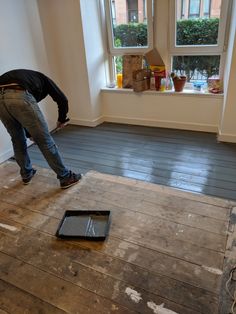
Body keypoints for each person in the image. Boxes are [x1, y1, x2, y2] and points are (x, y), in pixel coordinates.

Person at [0, 69, 82, 189]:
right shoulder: (45, 80)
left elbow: (21, 117)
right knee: (45, 141)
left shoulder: (28, 78)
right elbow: (62, 99)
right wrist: (62, 119)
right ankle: (65, 177)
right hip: (19, 94)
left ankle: (26, 173)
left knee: (17, 140)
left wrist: (29, 134)